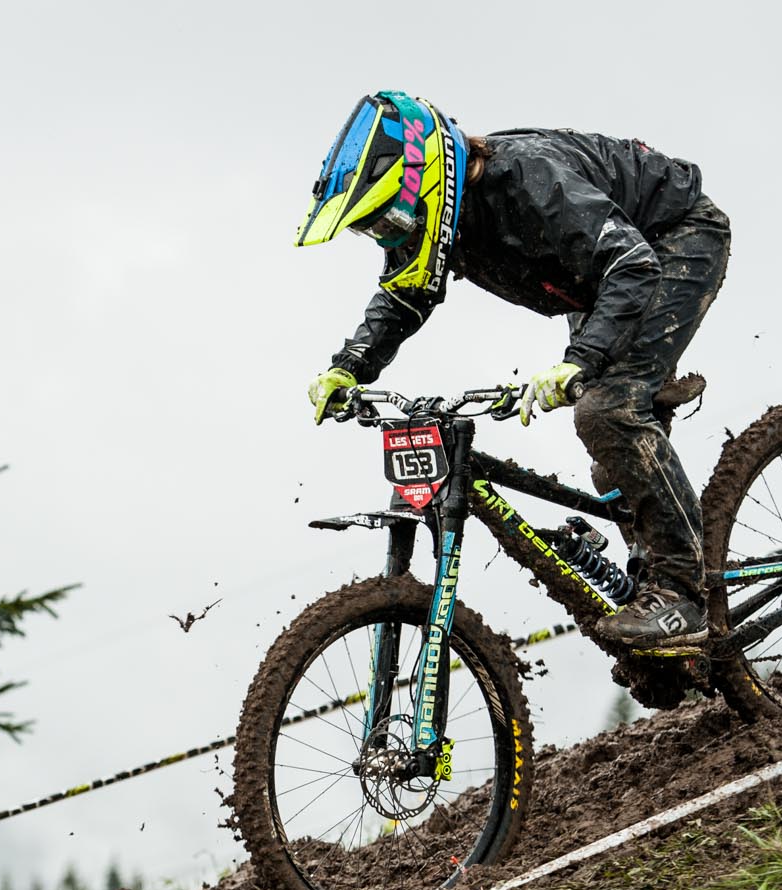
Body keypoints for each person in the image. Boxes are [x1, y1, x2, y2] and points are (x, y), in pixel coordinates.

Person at [297, 91, 731, 652]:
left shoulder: (530, 180)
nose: (388, 235)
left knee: (608, 411)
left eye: (388, 218)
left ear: (423, 180)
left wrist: (579, 363)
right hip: (600, 278)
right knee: (611, 453)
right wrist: (348, 367)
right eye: (374, 228)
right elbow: (405, 297)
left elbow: (630, 263)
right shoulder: (439, 216)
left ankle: (682, 593)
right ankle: (653, 572)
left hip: (667, 241)